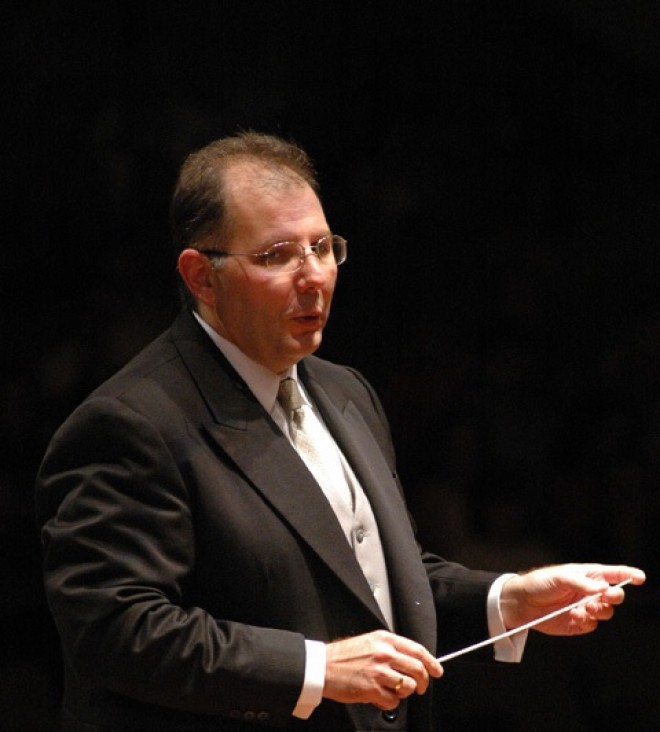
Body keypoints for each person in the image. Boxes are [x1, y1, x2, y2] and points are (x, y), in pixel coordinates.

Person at [36, 131, 645, 732]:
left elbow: (367, 578)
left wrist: (509, 601)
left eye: (322, 247)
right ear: (201, 276)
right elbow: (113, 630)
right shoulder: (129, 423)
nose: (314, 278)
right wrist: (315, 668)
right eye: (277, 255)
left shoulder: (345, 390)